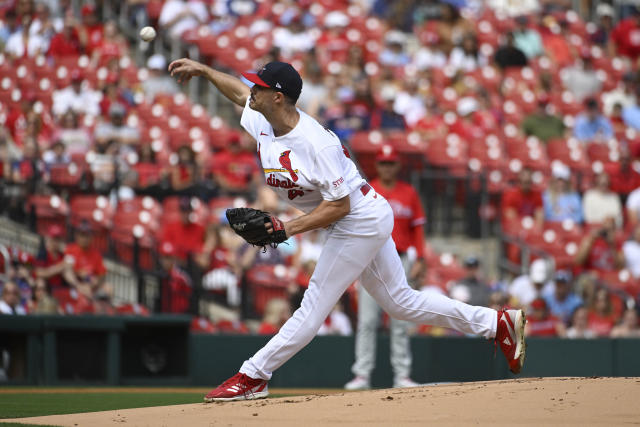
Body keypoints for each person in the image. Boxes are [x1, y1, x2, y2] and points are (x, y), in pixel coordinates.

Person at [168, 57, 527, 402]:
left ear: (278, 97)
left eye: (259, 87)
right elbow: (235, 92)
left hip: (358, 218)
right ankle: (497, 324)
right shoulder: (264, 120)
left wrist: (286, 229)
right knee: (401, 302)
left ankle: (253, 375)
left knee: (313, 306)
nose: (252, 90)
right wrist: (204, 70)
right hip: (356, 218)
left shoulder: (315, 143)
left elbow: (340, 205)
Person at [344, 145, 425, 391]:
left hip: (401, 259)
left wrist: (420, 258)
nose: (387, 167)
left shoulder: (409, 192)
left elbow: (418, 227)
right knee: (367, 321)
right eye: (383, 163)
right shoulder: (368, 190)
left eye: (391, 163)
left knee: (401, 320)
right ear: (377, 166)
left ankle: (402, 375)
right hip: (371, 258)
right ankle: (362, 375)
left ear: (397, 165)